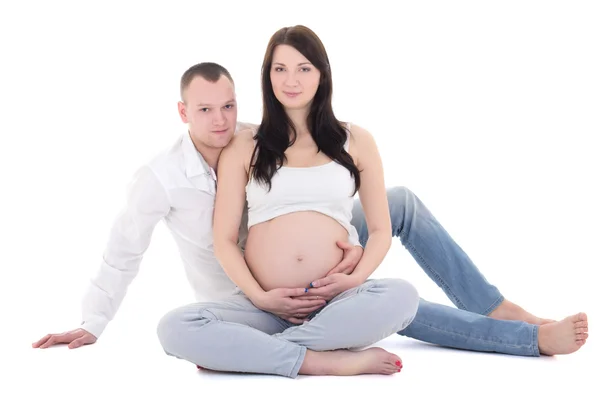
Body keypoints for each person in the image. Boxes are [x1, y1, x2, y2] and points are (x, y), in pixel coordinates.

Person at [32, 41, 588, 364]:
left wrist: (354, 256)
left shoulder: (253, 138)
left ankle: (495, 308)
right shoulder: (159, 179)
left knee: (400, 206)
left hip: (324, 272)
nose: (221, 120)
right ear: (183, 113)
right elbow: (122, 251)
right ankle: (521, 341)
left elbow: (309, 186)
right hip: (250, 297)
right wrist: (92, 322)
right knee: (400, 306)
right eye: (205, 111)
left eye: (228, 105)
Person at [157, 25, 421, 378]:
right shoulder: (245, 145)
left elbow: (379, 230)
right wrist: (260, 297)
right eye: (279, 69)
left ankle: (257, 351)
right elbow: (223, 240)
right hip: (262, 307)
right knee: (175, 326)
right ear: (267, 77)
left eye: (303, 68)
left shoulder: (356, 140)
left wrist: (355, 280)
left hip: (336, 304)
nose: (290, 80)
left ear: (322, 74)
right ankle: (319, 359)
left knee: (402, 297)